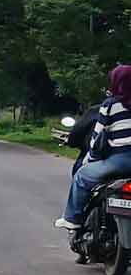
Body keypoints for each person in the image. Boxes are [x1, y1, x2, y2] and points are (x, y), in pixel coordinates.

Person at [56, 65, 131, 230]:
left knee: (82, 176)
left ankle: (72, 219)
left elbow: (97, 138)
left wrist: (89, 161)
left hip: (119, 161)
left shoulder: (110, 105)